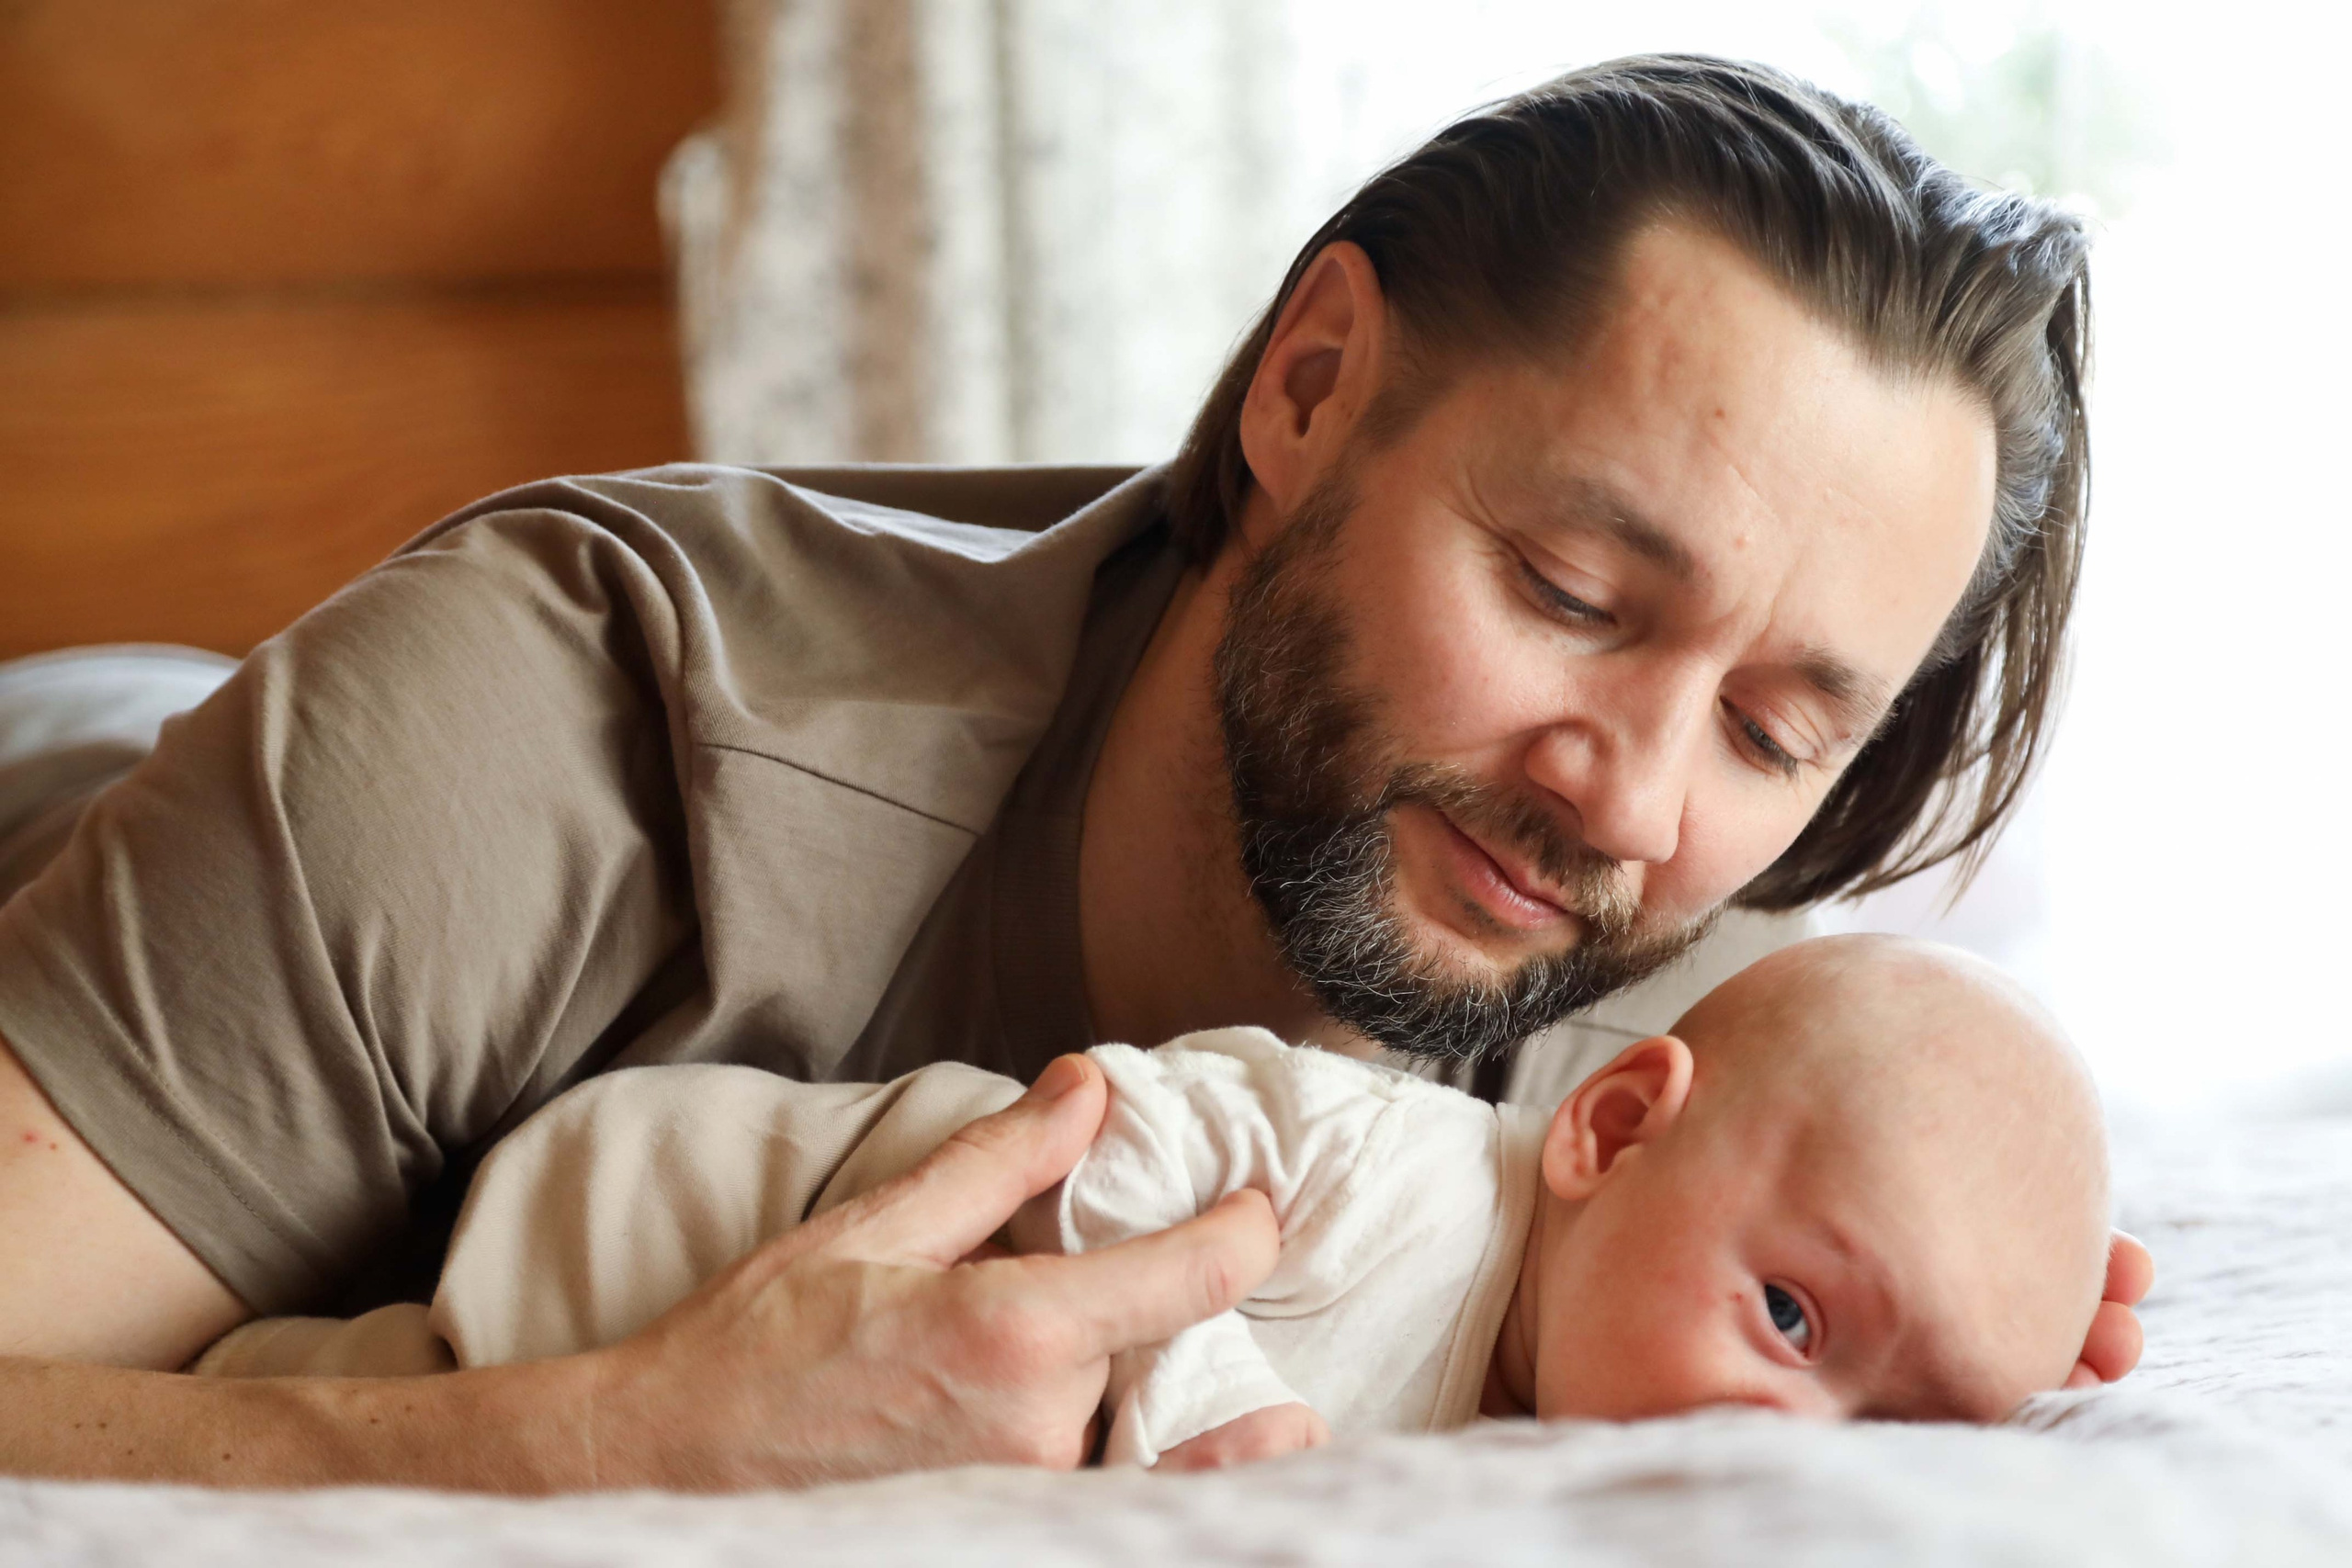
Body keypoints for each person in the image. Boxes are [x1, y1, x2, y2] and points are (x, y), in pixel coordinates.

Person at [0, 55, 2150, 1491]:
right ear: (1307, 390)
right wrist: (607, 1437)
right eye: (1572, 590)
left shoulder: (1688, 961)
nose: (1629, 800)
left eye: (1778, 725)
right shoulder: (536, 752)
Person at [193, 935, 2114, 1474]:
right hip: (677, 1219)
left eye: (1895, 1427)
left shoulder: (1556, 1440)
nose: (1795, 1440)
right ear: (1605, 1127)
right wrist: (1195, 1421)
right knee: (374, 1380)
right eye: (1789, 1318)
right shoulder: (1384, 1164)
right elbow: (1097, 1147)